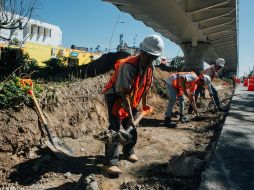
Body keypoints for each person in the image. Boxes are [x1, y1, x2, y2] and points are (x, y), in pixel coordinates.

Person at [102, 34, 164, 175]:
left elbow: (145, 87)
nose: (149, 60)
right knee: (115, 128)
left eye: (153, 57)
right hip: (116, 96)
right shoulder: (128, 66)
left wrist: (144, 104)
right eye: (147, 56)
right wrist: (130, 116)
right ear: (141, 52)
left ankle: (128, 151)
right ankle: (110, 162)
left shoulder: (150, 68)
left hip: (132, 97)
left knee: (132, 128)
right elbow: (123, 94)